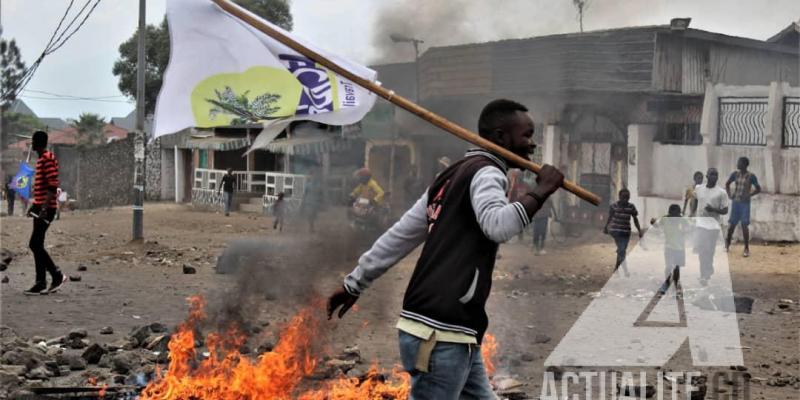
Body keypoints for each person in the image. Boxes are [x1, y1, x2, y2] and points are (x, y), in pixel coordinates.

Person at [327, 99, 564, 399]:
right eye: (527, 135)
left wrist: (354, 282)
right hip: (440, 334)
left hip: (448, 332)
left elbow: (399, 236)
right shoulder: (488, 172)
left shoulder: (449, 176)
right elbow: (498, 225)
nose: (532, 145)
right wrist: (541, 191)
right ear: (501, 137)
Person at [25, 131, 65, 295]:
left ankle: (56, 275)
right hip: (40, 206)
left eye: (33, 141)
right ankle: (40, 282)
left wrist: (43, 208)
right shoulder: (42, 159)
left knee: (34, 244)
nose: (31, 144)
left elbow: (52, 185)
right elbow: (42, 188)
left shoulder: (47, 158)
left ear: (37, 143)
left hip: (46, 208)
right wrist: (34, 206)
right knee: (37, 244)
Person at [694, 168, 729, 285]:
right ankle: (703, 275)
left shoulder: (721, 192)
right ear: (707, 176)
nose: (714, 177)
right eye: (712, 174)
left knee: (709, 250)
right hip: (700, 225)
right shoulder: (699, 189)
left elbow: (725, 210)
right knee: (702, 250)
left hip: (713, 226)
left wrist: (713, 209)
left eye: (716, 175)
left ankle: (708, 268)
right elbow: (694, 200)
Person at [724, 157, 760, 257]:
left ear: (745, 164)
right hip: (736, 203)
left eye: (739, 162)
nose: (738, 164)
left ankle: (746, 248)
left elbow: (758, 189)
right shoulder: (735, 174)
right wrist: (729, 195)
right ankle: (727, 244)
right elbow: (727, 184)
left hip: (745, 204)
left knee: (744, 226)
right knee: (732, 225)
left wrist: (750, 194)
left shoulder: (751, 176)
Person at [650, 204, 689, 295]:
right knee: (668, 266)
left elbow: (691, 227)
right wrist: (653, 222)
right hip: (669, 247)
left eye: (676, 216)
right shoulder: (665, 219)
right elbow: (657, 225)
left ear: (679, 214)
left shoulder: (683, 219)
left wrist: (686, 230)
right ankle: (667, 283)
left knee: (676, 268)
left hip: (680, 248)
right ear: (669, 214)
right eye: (672, 216)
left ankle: (676, 285)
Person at [603, 188, 643, 276]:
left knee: (622, 251)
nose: (626, 199)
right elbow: (610, 217)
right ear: (619, 196)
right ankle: (625, 270)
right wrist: (606, 227)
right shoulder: (613, 206)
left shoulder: (631, 207)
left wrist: (639, 230)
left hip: (626, 232)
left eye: (627, 197)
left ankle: (616, 270)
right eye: (624, 197)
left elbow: (635, 219)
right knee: (622, 250)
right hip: (616, 231)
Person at [507, 170, 531, 243]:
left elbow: (529, 195)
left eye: (521, 176)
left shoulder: (526, 185)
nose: (519, 178)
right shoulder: (515, 185)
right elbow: (512, 195)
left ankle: (520, 238)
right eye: (518, 176)